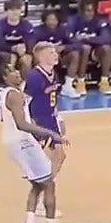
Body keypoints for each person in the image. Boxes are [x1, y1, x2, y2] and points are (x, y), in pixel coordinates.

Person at [0, 64, 67, 223]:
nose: (17, 72)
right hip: (22, 142)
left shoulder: (2, 94)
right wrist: (50, 133)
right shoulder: (15, 95)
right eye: (11, 71)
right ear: (4, 77)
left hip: (13, 142)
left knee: (37, 184)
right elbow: (21, 124)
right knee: (49, 183)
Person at [24, 41, 69, 182]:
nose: (56, 55)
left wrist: (58, 117)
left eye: (55, 52)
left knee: (60, 156)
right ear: (41, 57)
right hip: (39, 121)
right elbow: (24, 101)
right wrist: (29, 121)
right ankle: (42, 187)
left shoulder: (53, 73)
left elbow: (52, 98)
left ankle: (46, 184)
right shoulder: (34, 77)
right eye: (51, 53)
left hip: (51, 118)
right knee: (50, 157)